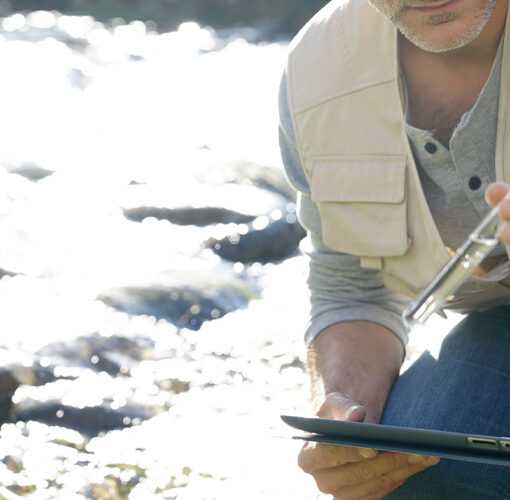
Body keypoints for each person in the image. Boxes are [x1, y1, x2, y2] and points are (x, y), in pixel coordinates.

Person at [278, 0, 510, 496]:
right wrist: (346, 419)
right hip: (498, 322)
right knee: (413, 475)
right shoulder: (317, 68)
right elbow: (352, 284)